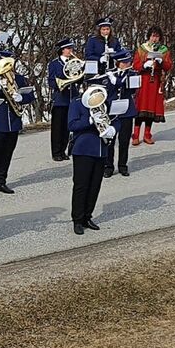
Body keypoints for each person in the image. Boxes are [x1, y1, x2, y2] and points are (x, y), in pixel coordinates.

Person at [0, 51, 34, 195]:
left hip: (13, 122)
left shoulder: (19, 78)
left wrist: (20, 98)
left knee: (7, 154)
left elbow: (30, 95)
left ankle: (1, 181)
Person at [68, 81, 117, 235]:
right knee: (81, 186)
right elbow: (72, 125)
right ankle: (77, 219)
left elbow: (117, 119)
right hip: (83, 149)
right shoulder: (77, 103)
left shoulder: (106, 103)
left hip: (101, 149)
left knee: (95, 185)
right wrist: (89, 120)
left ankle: (87, 216)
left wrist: (113, 129)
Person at [132, 26, 172, 145]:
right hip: (143, 81)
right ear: (149, 36)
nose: (155, 39)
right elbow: (135, 65)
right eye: (153, 36)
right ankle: (135, 134)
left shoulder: (163, 50)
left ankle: (147, 134)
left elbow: (169, 66)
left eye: (157, 36)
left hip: (155, 81)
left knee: (151, 107)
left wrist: (162, 62)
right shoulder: (142, 49)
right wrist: (144, 65)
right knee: (141, 107)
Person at [105, 49, 137, 177]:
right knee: (109, 140)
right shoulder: (110, 74)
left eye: (128, 62)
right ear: (118, 63)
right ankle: (108, 166)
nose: (127, 64)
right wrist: (109, 79)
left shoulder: (133, 74)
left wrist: (116, 80)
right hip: (112, 110)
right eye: (124, 62)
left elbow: (132, 89)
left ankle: (123, 165)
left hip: (126, 111)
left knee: (124, 140)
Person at [47, 38, 79, 161]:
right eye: (68, 49)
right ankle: (56, 152)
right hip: (60, 98)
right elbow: (51, 81)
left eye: (71, 48)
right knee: (57, 127)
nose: (70, 51)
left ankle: (63, 150)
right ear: (62, 50)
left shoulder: (74, 62)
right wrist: (62, 83)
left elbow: (79, 78)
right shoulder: (54, 64)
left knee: (67, 126)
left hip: (72, 97)